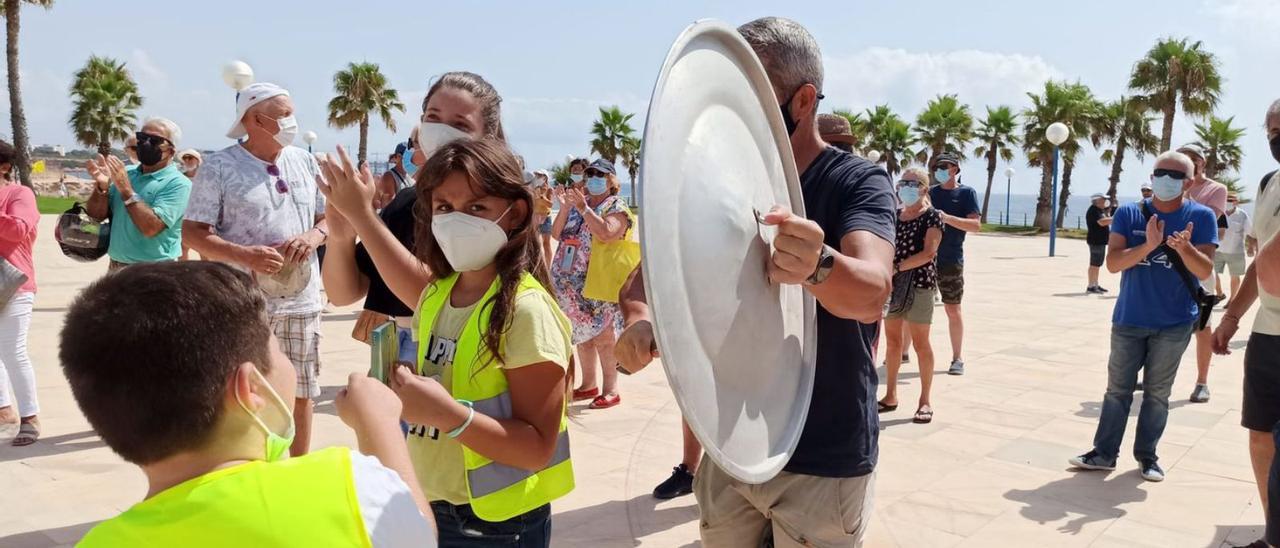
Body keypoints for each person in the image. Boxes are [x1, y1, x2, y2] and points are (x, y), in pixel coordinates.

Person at [687, 17, 895, 547]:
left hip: (823, 458)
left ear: (803, 102)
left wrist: (817, 266)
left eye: (754, 88)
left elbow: (873, 293)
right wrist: (641, 321)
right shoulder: (719, 179)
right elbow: (653, 274)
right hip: (730, 445)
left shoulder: (857, 181)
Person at [62, 262, 435, 547]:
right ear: (250, 387)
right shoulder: (344, 483)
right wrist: (381, 424)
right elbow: (417, 530)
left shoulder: (99, 541)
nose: (285, 361)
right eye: (277, 350)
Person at [319, 138, 575, 547]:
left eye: (477, 208)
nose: (457, 221)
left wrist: (452, 417)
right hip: (432, 499)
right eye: (444, 208)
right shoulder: (438, 294)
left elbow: (537, 447)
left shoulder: (525, 311)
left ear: (515, 214)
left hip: (495, 525)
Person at [324, 72, 504, 377]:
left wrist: (364, 219)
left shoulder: (492, 206)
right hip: (400, 341)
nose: (441, 131)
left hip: (462, 349)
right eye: (433, 118)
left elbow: (436, 302)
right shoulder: (408, 201)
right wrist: (340, 237)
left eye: (460, 125)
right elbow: (343, 293)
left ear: (487, 135)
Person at [183, 82, 329, 458]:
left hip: (301, 300)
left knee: (302, 391)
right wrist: (246, 256)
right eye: (282, 114)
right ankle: (247, 469)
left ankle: (296, 474)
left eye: (290, 112)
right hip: (243, 303)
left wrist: (313, 237)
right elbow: (194, 233)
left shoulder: (305, 161)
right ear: (252, 119)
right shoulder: (218, 166)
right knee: (241, 394)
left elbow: (327, 219)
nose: (290, 121)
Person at [1068, 150, 1217, 483]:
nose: (1165, 180)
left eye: (1175, 175)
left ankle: (1147, 457)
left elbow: (1205, 270)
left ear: (1189, 182)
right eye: (1159, 172)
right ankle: (1103, 453)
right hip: (1129, 319)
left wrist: (1184, 249)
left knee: (1157, 394)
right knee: (1117, 391)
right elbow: (1113, 263)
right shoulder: (1130, 214)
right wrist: (1148, 246)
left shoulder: (1203, 217)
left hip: (1175, 322)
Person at [1211, 98, 1280, 548]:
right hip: (1268, 336)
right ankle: (1274, 533)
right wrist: (1233, 315)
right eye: (1271, 130)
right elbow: (1261, 264)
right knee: (1260, 434)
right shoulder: (1269, 182)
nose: (1276, 136)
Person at [550, 158, 632, 410]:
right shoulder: (577, 205)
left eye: (600, 174)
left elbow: (608, 233)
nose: (594, 178)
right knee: (582, 336)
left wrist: (585, 210)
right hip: (571, 285)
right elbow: (556, 234)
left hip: (599, 281)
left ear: (611, 180)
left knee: (604, 337)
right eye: (590, 174)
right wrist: (565, 209)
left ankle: (611, 389)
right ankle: (589, 385)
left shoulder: (615, 205)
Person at [879, 167, 943, 424]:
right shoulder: (894, 215)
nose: (905, 186)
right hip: (893, 287)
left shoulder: (933, 217)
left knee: (920, 344)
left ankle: (925, 400)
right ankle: (890, 395)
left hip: (920, 284)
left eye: (912, 183)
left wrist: (895, 268)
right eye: (902, 182)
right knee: (893, 343)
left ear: (924, 189)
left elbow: (929, 253)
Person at [85, 118, 193, 271]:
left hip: (154, 270)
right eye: (142, 138)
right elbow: (95, 216)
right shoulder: (126, 173)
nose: (146, 144)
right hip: (115, 267)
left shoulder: (178, 184)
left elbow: (151, 228)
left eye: (155, 141)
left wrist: (125, 189)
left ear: (171, 150)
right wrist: (102, 188)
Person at [0, 140, 40, 446]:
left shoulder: (19, 193)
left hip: (13, 282)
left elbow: (18, 229)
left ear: (4, 167)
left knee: (13, 351)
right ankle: (3, 410)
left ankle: (30, 417)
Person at [928, 151, 982, 375]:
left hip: (951, 260)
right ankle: (903, 352)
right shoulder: (930, 193)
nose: (940, 170)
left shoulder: (967, 193)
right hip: (926, 259)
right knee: (914, 308)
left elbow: (975, 225)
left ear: (955, 170)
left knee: (953, 309)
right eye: (937, 167)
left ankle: (957, 357)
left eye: (945, 167)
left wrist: (947, 218)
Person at [1215, 191, 1255, 305]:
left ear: (1236, 202)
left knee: (1235, 276)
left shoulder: (1242, 215)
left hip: (1236, 252)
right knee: (1211, 273)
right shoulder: (1217, 213)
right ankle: (1219, 293)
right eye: (1227, 200)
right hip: (1217, 250)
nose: (1228, 202)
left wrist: (1251, 247)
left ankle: (1232, 300)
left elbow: (1250, 233)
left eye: (1231, 200)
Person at [178, 149, 203, 261]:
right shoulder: (178, 178)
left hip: (201, 219)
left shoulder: (205, 178)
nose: (187, 160)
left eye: (190, 158)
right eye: (185, 158)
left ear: (198, 161)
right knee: (182, 251)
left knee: (204, 251)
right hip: (182, 219)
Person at [1086, 193, 1114, 294]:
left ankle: (1095, 284)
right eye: (1104, 199)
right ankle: (1091, 285)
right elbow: (1102, 222)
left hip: (1100, 241)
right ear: (1097, 200)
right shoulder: (1094, 210)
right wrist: (1116, 218)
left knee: (1097, 264)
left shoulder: (1099, 210)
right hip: (1095, 241)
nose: (1106, 201)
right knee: (1094, 264)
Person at [530, 169, 554, 268]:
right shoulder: (532, 188)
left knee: (546, 244)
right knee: (535, 244)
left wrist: (541, 198)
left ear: (545, 178)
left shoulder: (549, 189)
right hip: (535, 217)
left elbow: (550, 204)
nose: (538, 177)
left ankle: (547, 268)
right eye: (537, 175)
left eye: (540, 175)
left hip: (546, 217)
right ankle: (537, 267)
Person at [378, 141, 413, 209]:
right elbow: (388, 204)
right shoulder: (389, 176)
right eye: (408, 156)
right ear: (398, 157)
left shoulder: (411, 176)